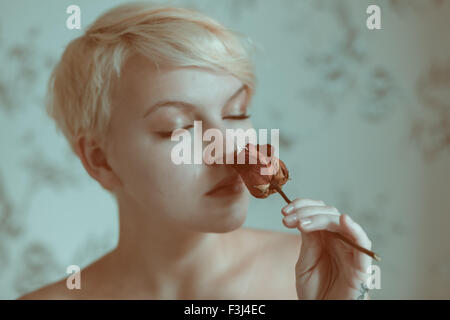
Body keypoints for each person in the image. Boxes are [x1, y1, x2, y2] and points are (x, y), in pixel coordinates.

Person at [18, 2, 373, 300]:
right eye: (178, 127)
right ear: (100, 159)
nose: (229, 148)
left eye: (237, 113)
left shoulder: (317, 273)